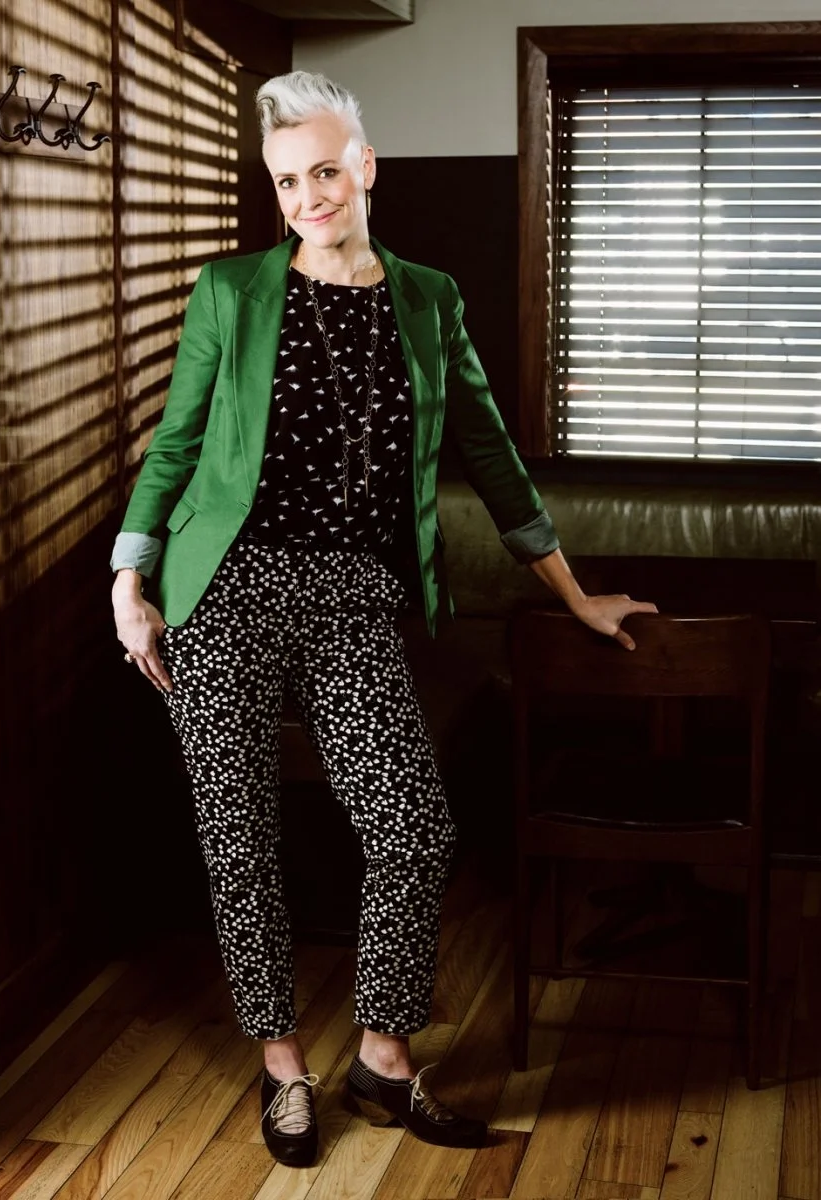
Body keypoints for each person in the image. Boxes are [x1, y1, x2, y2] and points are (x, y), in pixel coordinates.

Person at [110, 70, 656, 1167]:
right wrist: (131, 579)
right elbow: (174, 445)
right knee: (238, 839)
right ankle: (281, 1069)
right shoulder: (230, 292)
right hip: (224, 589)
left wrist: (573, 592)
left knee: (411, 826)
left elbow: (493, 457)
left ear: (364, 167)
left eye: (323, 169)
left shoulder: (430, 298)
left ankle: (381, 1056)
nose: (308, 195)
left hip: (354, 594)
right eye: (285, 181)